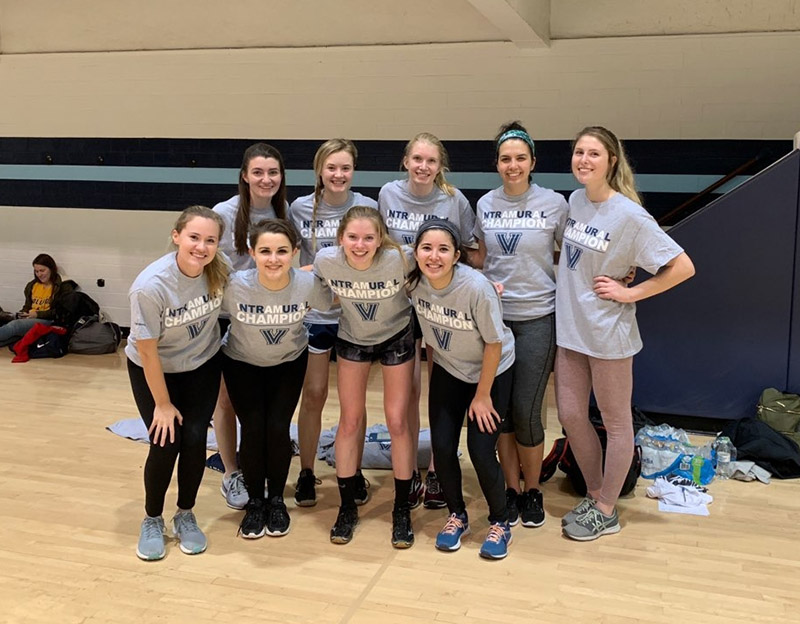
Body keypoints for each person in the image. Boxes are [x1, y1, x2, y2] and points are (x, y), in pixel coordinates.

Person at [556, 126, 695, 541]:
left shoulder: (631, 215)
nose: (584, 160)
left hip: (608, 334)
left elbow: (682, 267)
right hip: (571, 330)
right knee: (571, 416)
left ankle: (606, 509)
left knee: (617, 425)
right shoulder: (575, 200)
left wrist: (629, 290)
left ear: (611, 161)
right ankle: (596, 492)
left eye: (593, 153)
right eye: (578, 152)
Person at [473, 121, 568, 529]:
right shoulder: (485, 205)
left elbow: (573, 254)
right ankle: (510, 489)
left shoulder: (554, 203)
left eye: (520, 158)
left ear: (532, 162)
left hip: (536, 319)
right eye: (506, 158)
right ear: (497, 163)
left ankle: (533, 491)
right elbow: (481, 258)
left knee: (528, 412)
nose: (513, 165)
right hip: (494, 322)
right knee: (503, 414)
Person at [378, 132, 477, 509]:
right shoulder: (388, 194)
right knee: (410, 389)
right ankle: (411, 470)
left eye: (431, 161)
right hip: (400, 302)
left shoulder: (454, 200)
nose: (423, 167)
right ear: (406, 161)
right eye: (417, 159)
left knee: (440, 384)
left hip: (438, 300)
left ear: (441, 166)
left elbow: (467, 250)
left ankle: (437, 469)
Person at [407, 219, 516, 559]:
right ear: (416, 252)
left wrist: (481, 396)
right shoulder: (414, 284)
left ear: (456, 255)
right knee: (441, 445)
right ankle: (457, 515)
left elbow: (494, 343)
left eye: (443, 249)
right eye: (426, 248)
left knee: (481, 450)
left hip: (491, 371)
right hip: (450, 369)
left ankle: (501, 522)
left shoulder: (476, 288)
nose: (434, 256)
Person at [126, 205, 229, 560]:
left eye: (210, 240)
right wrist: (163, 404)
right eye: (194, 237)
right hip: (155, 368)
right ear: (176, 236)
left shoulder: (219, 268)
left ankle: (185, 513)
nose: (201, 247)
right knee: (166, 439)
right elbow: (149, 352)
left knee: (196, 437)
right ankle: (152, 519)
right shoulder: (150, 287)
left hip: (202, 363)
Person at [221, 219, 332, 538]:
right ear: (252, 253)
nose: (274, 258)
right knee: (254, 428)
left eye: (282, 251)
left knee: (278, 427)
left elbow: (334, 298)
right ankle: (256, 502)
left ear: (296, 252)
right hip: (242, 363)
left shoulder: (307, 284)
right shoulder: (234, 285)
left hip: (288, 362)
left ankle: (276, 501)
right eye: (265, 251)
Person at [313, 206, 416, 548]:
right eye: (353, 237)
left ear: (381, 239)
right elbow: (299, 276)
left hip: (396, 336)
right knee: (350, 422)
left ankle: (402, 509)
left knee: (397, 421)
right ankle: (346, 506)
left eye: (368, 238)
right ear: (340, 238)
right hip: (352, 337)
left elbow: (442, 267)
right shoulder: (328, 261)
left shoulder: (401, 258)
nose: (360, 245)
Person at [288, 139, 376, 508]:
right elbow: (295, 265)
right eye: (331, 168)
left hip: (358, 318)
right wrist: (325, 279)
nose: (338, 175)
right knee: (314, 395)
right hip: (319, 317)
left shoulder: (368, 207)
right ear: (319, 171)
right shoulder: (300, 208)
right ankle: (307, 471)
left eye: (345, 168)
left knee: (354, 404)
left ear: (353, 171)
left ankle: (352, 471)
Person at [212, 143, 288, 510]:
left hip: (272, 320)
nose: (266, 179)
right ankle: (231, 471)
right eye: (258, 172)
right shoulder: (224, 214)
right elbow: (210, 269)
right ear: (244, 175)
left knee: (268, 403)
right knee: (226, 400)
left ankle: (269, 463)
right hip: (229, 320)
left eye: (272, 172)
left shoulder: (284, 211)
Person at [0, 254, 75, 347]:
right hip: (31, 317)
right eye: (36, 271)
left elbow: (61, 312)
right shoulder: (32, 285)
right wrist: (22, 313)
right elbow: (27, 305)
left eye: (42, 271)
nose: (39, 274)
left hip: (49, 320)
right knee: (11, 327)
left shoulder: (63, 286)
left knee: (15, 326)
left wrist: (38, 314)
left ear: (52, 269)